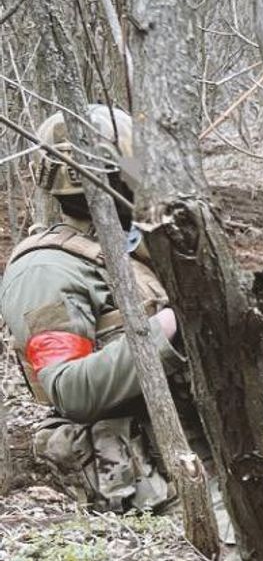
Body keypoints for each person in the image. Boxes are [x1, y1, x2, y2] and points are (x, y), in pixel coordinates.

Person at [1, 106, 182, 512]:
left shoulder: (135, 244)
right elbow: (69, 390)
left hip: (189, 443)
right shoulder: (45, 270)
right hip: (139, 470)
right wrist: (169, 328)